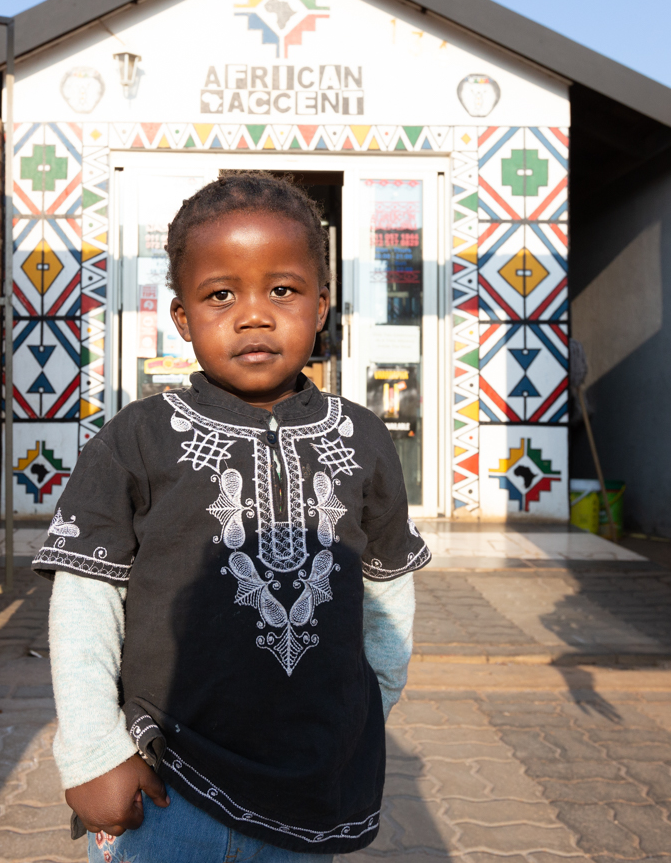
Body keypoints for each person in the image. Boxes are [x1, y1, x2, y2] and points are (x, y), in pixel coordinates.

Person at [32, 173, 430, 861]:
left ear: (321, 305)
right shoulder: (138, 436)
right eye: (221, 294)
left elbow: (387, 588)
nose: (253, 314)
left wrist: (370, 705)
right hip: (165, 782)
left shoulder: (365, 437)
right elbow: (86, 596)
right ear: (182, 316)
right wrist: (95, 752)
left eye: (282, 289)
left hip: (310, 789)